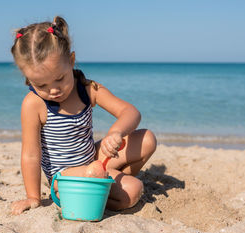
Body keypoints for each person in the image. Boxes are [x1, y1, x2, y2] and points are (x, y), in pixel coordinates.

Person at [10, 16, 157, 215]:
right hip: (64, 177)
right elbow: (30, 154)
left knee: (147, 139)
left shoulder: (88, 90)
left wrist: (116, 132)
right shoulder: (33, 104)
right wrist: (33, 197)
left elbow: (130, 112)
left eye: (59, 79)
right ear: (29, 79)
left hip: (92, 158)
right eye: (42, 85)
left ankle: (105, 183)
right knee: (133, 191)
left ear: (71, 61)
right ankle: (94, 190)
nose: (53, 90)